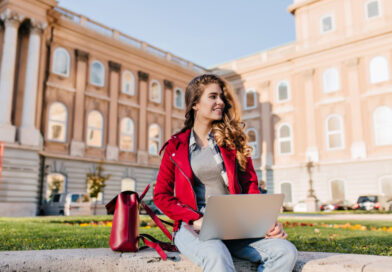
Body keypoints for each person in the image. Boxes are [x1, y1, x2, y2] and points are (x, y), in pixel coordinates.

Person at [153, 74, 297, 272]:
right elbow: (161, 196)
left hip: (235, 227)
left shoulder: (232, 142)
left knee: (285, 251)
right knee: (216, 254)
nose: (220, 102)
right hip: (193, 227)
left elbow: (250, 187)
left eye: (221, 97)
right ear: (195, 104)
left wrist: (265, 224)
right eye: (213, 96)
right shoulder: (175, 147)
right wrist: (195, 218)